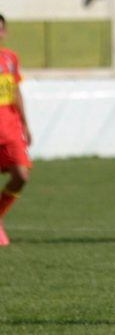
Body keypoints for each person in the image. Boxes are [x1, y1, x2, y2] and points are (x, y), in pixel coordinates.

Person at [0, 14, 32, 246]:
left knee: (21, 176)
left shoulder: (10, 58)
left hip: (10, 128)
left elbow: (16, 92)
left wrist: (25, 123)